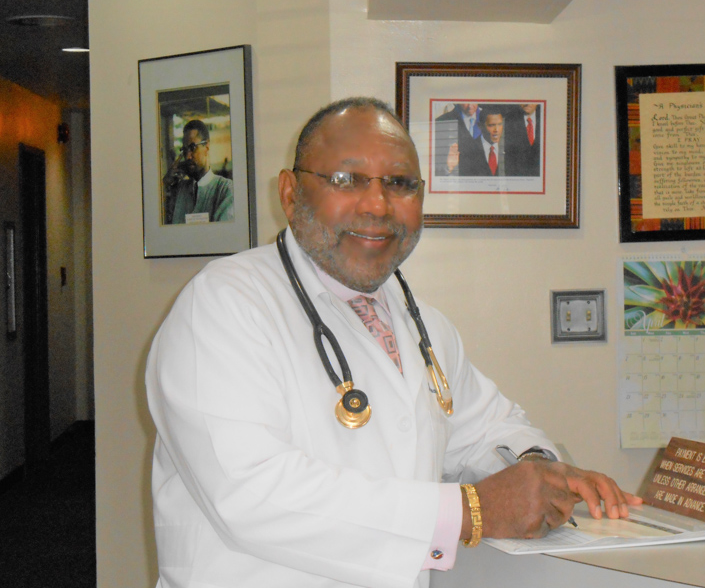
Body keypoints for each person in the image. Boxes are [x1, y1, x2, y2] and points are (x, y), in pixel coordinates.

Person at [146, 97, 641, 588]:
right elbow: (250, 493)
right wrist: (469, 512)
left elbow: (488, 426)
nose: (378, 205)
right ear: (291, 193)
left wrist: (540, 473)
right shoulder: (223, 304)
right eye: (347, 179)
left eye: (400, 184)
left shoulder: (425, 328)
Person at [162, 119, 234, 224]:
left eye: (192, 147)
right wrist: (164, 185)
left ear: (207, 146)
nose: (187, 156)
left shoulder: (225, 189)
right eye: (184, 150)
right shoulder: (178, 191)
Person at [433, 102, 481, 176]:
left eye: (474, 101)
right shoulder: (441, 122)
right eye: (466, 102)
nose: (470, 106)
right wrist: (448, 168)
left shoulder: (490, 119)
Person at [458, 106, 506, 176]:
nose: (497, 130)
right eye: (491, 125)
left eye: (500, 124)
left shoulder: (509, 150)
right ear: (480, 126)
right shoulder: (468, 151)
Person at [505, 102, 542, 177]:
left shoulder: (545, 118)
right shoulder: (510, 120)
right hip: (519, 177)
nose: (528, 103)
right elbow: (509, 156)